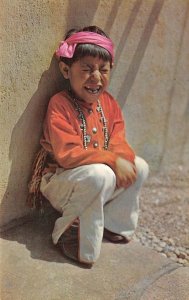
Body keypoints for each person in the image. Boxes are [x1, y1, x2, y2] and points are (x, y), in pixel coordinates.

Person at [29, 25, 149, 268]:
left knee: (140, 166)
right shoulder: (59, 105)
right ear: (66, 69)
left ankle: (114, 224)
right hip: (61, 180)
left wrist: (122, 159)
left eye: (103, 70)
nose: (96, 78)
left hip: (95, 179)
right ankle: (71, 237)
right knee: (100, 174)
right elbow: (67, 154)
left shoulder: (109, 103)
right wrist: (112, 161)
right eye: (86, 69)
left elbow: (118, 140)